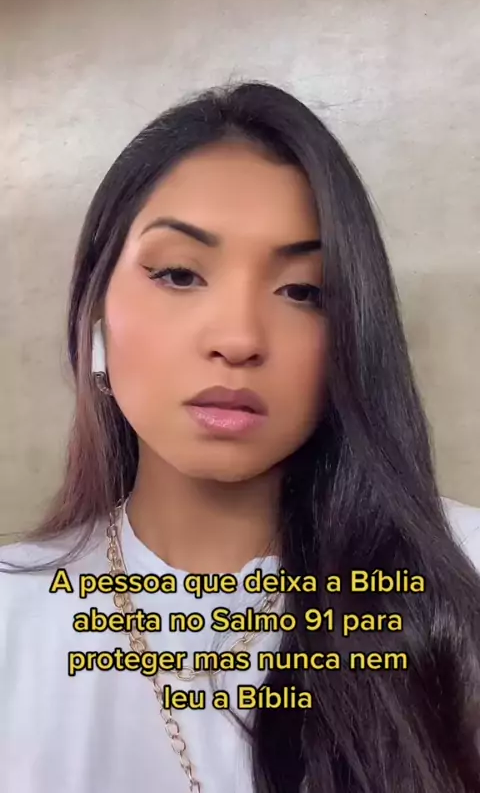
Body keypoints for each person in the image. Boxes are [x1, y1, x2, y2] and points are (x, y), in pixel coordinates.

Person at [1, 81, 479, 793]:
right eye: (179, 274)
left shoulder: (461, 575)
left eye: (304, 291)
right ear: (94, 311)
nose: (238, 338)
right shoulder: (13, 616)